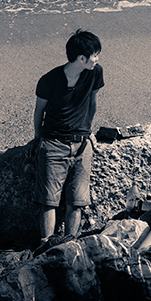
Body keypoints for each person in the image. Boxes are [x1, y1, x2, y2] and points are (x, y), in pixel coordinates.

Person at [31, 29, 105, 248]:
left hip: (82, 145)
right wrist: (38, 139)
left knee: (78, 201)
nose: (97, 59)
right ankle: (46, 245)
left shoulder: (95, 72)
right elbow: (39, 112)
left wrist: (88, 131)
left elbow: (92, 103)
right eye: (95, 55)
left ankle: (71, 244)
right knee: (48, 201)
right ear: (81, 58)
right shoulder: (49, 80)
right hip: (53, 143)